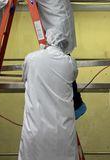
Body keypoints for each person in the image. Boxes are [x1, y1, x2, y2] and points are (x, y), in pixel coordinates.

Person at [0, 0, 86, 118]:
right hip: (49, 21)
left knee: (62, 61)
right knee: (57, 62)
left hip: (60, 20)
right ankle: (72, 103)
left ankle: (76, 104)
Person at [18, 29, 78, 160]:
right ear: (65, 43)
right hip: (62, 131)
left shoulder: (31, 59)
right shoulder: (69, 63)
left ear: (48, 39)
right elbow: (73, 76)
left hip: (35, 128)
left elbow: (24, 78)